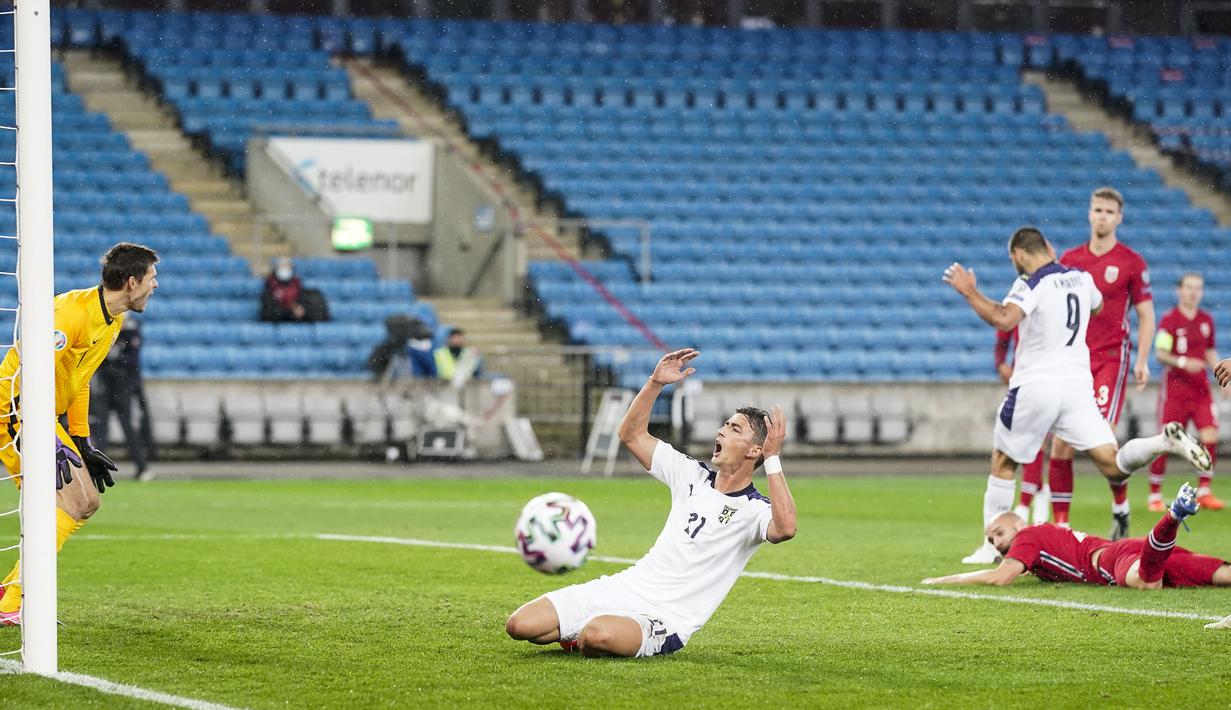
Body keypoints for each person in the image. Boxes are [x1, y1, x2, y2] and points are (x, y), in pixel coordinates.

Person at [505, 348, 797, 657]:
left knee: (596, 633)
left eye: (734, 429)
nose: (722, 430)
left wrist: (773, 457)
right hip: (624, 588)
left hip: (664, 618)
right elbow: (630, 435)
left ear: (754, 451)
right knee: (520, 625)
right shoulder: (690, 474)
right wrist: (654, 384)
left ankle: (593, 633)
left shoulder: (754, 509)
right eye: (724, 424)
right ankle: (585, 632)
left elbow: (786, 527)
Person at [943, 227, 1208, 565]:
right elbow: (1097, 307)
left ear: (1020, 255)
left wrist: (969, 292)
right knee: (1113, 465)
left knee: (1004, 462)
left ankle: (989, 546)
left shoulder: (1030, 282)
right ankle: (1162, 442)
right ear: (1050, 248)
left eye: (1014, 259)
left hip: (1037, 384)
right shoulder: (1082, 279)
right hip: (1076, 386)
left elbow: (1003, 319)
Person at [0, 242, 159, 625]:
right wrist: (47, 440)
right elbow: (29, 376)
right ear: (132, 282)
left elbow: (80, 379)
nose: (156, 285)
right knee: (67, 501)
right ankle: (13, 603)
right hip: (15, 409)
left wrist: (82, 440)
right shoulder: (68, 315)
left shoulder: (111, 318)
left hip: (43, 417)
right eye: (152, 278)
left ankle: (10, 594)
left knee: (85, 501)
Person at [1051, 187, 1155, 540]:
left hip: (1111, 357)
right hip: (1074, 360)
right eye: (1098, 209)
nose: (1102, 216)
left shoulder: (1131, 261)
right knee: (1061, 443)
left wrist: (1142, 359)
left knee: (1102, 441)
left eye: (1109, 211)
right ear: (1089, 213)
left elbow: (1146, 314)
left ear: (1119, 217)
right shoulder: (1071, 259)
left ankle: (1120, 508)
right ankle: (1061, 527)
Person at [921, 483, 1230, 591]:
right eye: (990, 541)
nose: (996, 543)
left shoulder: (1027, 537)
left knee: (1148, 583)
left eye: (999, 533)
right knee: (1220, 575)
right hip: (1137, 549)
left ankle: (1173, 515)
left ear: (1018, 526)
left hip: (1111, 562)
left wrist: (948, 580)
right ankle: (1172, 517)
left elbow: (999, 578)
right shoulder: (1039, 537)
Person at [1148, 273, 1223, 511]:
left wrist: (1224, 377)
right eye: (1189, 287)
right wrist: (1183, 362)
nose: (1193, 292)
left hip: (1201, 390)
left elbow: (1210, 351)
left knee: (1210, 436)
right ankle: (1154, 495)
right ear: (1179, 291)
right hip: (1175, 391)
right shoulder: (1169, 320)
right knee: (1167, 441)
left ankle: (1204, 491)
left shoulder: (1206, 320)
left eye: (1198, 288)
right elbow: (1160, 354)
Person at [996, 327, 1050, 525]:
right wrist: (1000, 361)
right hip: (1022, 377)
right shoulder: (1025, 299)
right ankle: (1041, 491)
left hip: (1049, 377)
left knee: (1037, 441)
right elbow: (1005, 324)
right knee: (1024, 442)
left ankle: (1024, 506)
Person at [90, 316, 152, 481]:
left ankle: (142, 467)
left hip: (123, 388)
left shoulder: (131, 332)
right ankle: (97, 467)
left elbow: (133, 361)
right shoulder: (107, 331)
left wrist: (117, 358)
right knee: (101, 428)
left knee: (128, 428)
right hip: (106, 386)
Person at [260, 257, 307, 323]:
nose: (285, 269)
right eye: (282, 266)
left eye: (287, 267)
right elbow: (269, 308)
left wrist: (299, 309)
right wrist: (290, 311)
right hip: (275, 320)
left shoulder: (296, 283)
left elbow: (301, 302)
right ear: (277, 268)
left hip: (294, 320)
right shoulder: (270, 283)